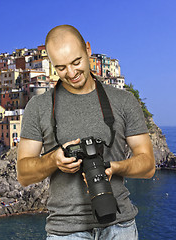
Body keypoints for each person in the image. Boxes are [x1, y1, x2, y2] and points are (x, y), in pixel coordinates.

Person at [17, 25, 155, 239]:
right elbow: (24, 175)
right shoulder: (39, 107)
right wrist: (53, 160)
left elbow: (148, 166)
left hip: (120, 225)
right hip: (65, 230)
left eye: (76, 62)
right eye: (61, 68)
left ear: (88, 50)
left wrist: (113, 167)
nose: (71, 73)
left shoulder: (124, 101)